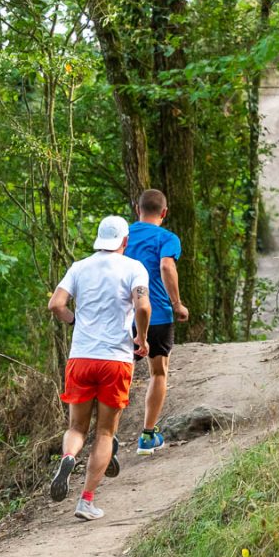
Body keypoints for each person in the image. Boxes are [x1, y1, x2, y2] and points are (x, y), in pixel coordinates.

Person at [46, 215, 151, 521]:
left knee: (76, 427)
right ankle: (86, 501)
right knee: (105, 432)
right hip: (115, 359)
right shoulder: (134, 268)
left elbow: (56, 304)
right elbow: (143, 306)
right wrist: (141, 338)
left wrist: (74, 321)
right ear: (125, 241)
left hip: (81, 357)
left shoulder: (79, 267)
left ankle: (68, 457)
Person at [125, 188, 189, 454]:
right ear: (164, 212)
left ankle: (109, 435)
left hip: (125, 314)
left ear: (137, 209)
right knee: (158, 372)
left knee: (122, 373)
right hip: (159, 313)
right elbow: (166, 266)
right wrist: (177, 304)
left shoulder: (123, 236)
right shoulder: (168, 237)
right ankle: (148, 435)